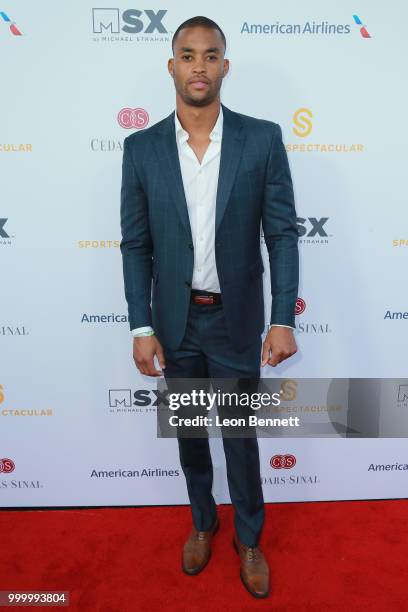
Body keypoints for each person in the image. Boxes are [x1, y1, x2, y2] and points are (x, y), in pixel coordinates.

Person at [120, 15, 299, 599]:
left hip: (236, 319)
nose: (200, 65)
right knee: (192, 435)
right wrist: (142, 324)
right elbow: (137, 244)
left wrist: (281, 319)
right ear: (172, 66)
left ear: (226, 66)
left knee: (240, 438)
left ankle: (249, 538)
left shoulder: (262, 138)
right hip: (175, 323)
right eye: (188, 55)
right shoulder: (141, 148)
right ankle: (203, 522)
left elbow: (282, 235)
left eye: (211, 54)